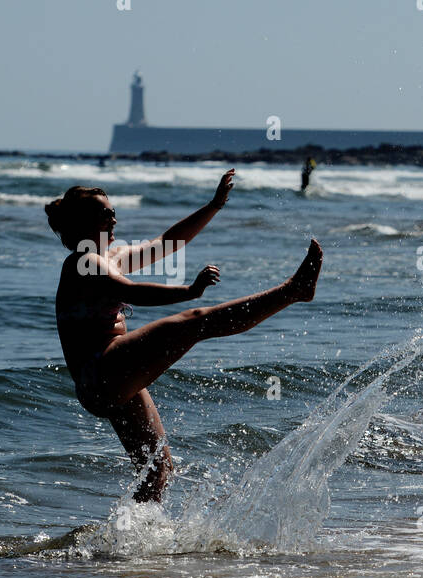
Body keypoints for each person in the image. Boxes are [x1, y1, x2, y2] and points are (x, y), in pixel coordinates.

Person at [45, 170, 323, 502]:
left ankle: (131, 544)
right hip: (102, 370)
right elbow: (131, 292)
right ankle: (293, 291)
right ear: (83, 223)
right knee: (196, 321)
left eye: (113, 210)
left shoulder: (110, 257)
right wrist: (190, 291)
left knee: (157, 469)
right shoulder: (83, 262)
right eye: (104, 213)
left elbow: (168, 243)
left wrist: (214, 206)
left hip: (108, 382)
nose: (114, 218)